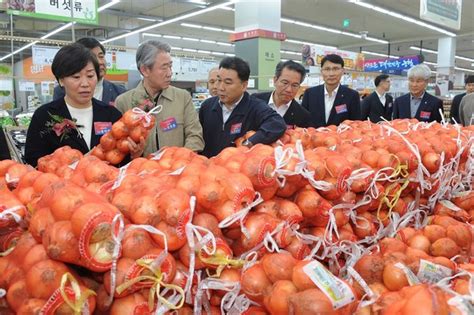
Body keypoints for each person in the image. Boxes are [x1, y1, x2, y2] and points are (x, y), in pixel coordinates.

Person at [25, 44, 142, 167]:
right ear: (61, 80)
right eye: (76, 77)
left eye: (90, 76)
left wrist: (134, 155)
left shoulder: (111, 115)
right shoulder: (44, 116)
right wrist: (78, 164)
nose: (85, 83)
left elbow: (121, 162)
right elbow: (34, 163)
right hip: (63, 185)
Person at [115, 40, 204, 156]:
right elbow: (117, 146)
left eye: (170, 66)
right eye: (164, 68)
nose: (170, 73)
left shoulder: (182, 98)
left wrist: (181, 160)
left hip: (177, 169)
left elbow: (195, 136)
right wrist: (133, 154)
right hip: (139, 171)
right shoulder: (124, 102)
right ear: (145, 70)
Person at [199, 57, 286, 157]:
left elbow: (277, 124)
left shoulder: (255, 107)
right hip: (208, 168)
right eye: (219, 80)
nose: (220, 87)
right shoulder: (207, 106)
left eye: (228, 82)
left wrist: (248, 144)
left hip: (237, 169)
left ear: (244, 86)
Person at [53, 37, 126, 106]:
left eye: (101, 56)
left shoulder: (120, 93)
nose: (100, 62)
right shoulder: (62, 91)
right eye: (92, 57)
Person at [301, 54, 361, 127]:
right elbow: (303, 121)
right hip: (314, 137)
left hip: (341, 137)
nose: (331, 74)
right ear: (321, 71)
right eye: (327, 69)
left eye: (335, 69)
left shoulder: (352, 95)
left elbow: (356, 124)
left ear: (342, 71)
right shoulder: (310, 94)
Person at [253, 60, 311, 128]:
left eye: (294, 85)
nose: (289, 90)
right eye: (285, 83)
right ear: (275, 80)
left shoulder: (303, 116)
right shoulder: (255, 101)